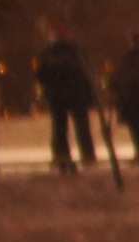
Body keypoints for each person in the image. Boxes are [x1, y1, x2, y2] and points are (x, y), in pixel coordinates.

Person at [33, 22, 97, 174]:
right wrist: (90, 93)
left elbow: (41, 75)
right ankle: (88, 153)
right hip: (77, 93)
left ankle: (61, 154)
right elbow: (87, 73)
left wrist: (47, 88)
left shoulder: (47, 53)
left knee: (59, 126)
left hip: (57, 94)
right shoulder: (76, 51)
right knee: (82, 125)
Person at [110, 29, 139, 173]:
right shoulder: (134, 57)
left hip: (137, 97)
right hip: (132, 98)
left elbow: (132, 75)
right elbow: (122, 74)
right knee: (137, 126)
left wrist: (120, 83)